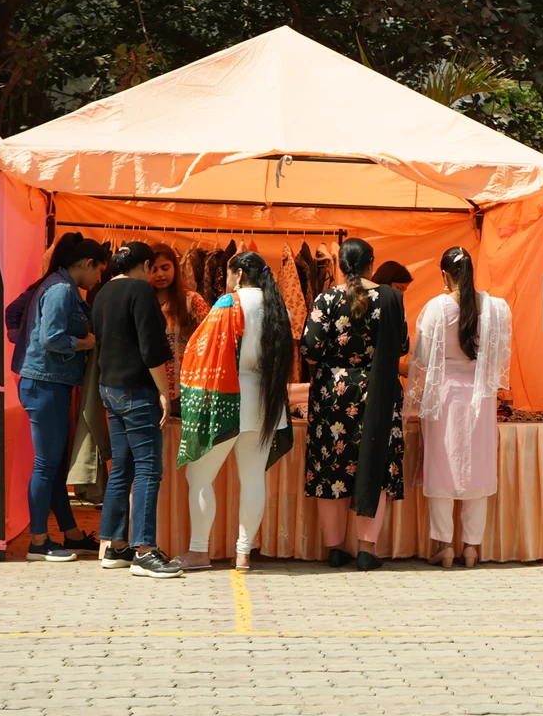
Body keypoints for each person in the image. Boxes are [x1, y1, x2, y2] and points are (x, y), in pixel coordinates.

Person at [177, 252, 294, 572]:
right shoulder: (278, 307)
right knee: (253, 477)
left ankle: (199, 550)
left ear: (239, 274)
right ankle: (243, 552)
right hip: (265, 401)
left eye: (229, 275)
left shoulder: (229, 304)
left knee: (199, 476)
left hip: (227, 397)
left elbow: (200, 353)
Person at [302, 239, 409, 572]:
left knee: (330, 466)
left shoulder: (327, 299)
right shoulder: (391, 298)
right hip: (377, 391)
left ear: (340, 265)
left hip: (332, 394)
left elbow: (310, 348)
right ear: (370, 263)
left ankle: (335, 548)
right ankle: (366, 548)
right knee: (374, 462)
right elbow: (402, 345)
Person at [407, 247, 512, 569]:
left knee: (441, 467)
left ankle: (443, 546)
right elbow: (499, 359)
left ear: (444, 275)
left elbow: (421, 359)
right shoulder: (497, 308)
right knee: (477, 470)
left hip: (444, 397)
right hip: (480, 398)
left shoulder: (437, 308)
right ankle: (471, 548)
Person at [10, 237, 109, 561]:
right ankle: (38, 542)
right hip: (45, 383)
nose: (97, 280)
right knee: (45, 465)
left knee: (53, 465)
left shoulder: (54, 285)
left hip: (48, 382)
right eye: (98, 271)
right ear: (85, 264)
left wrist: (22, 338)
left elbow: (16, 316)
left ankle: (70, 534)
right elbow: (52, 338)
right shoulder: (60, 290)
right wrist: (87, 342)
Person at [90, 242, 182, 579]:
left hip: (109, 387)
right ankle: (144, 549)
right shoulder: (140, 290)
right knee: (147, 470)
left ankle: (114, 546)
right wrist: (164, 392)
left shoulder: (101, 293)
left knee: (122, 468)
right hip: (137, 389)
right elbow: (151, 347)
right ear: (144, 265)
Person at [150, 243, 211, 417]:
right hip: (150, 386)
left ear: (175, 268)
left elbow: (210, 338)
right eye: (154, 269)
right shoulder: (143, 301)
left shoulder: (192, 300)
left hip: (185, 385)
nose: (160, 274)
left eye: (165, 267)